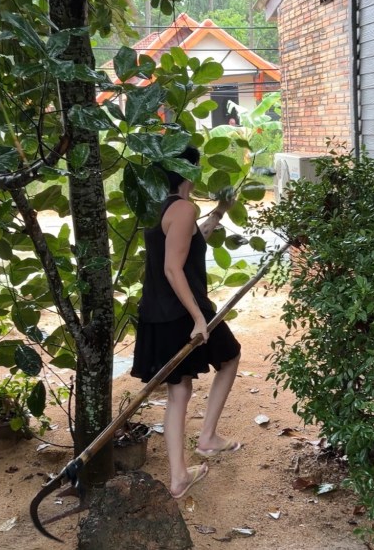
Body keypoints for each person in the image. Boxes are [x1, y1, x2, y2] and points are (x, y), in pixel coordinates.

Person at [131, 146, 243, 500]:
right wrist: (197, 317)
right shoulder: (183, 209)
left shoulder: (162, 207)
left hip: (159, 312)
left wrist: (220, 211)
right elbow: (172, 268)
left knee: (179, 390)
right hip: (182, 311)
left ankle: (181, 474)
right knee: (229, 357)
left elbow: (191, 244)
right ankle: (206, 439)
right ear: (188, 171)